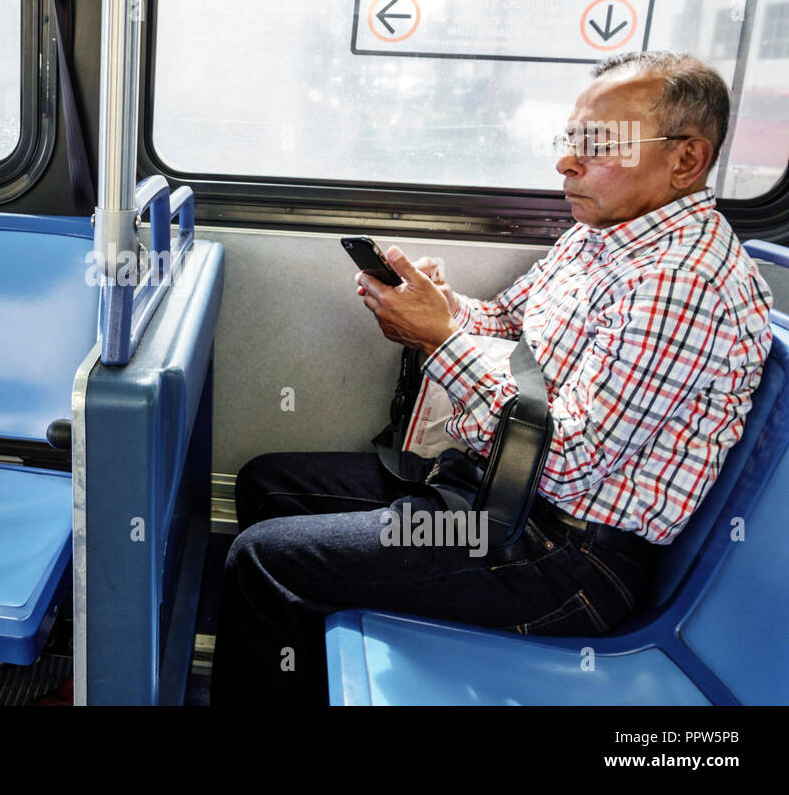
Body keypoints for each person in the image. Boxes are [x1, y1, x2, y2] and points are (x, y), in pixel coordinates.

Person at [211, 51, 774, 706]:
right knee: (266, 485)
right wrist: (444, 306)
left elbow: (566, 463)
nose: (567, 161)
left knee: (261, 559)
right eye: (570, 140)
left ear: (686, 160)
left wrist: (441, 340)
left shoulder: (681, 283)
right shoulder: (605, 236)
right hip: (493, 495)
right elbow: (507, 322)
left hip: (557, 553)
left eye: (598, 145)